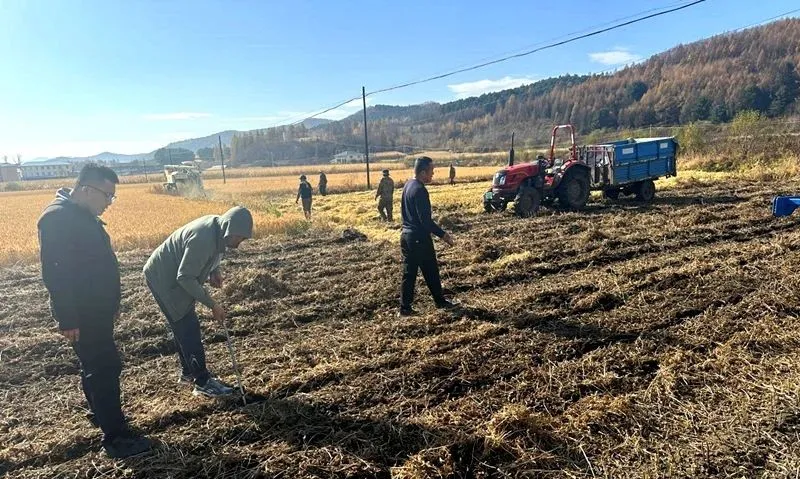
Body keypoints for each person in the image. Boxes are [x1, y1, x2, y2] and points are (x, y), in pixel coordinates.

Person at [38, 163, 151, 459]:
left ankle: (100, 414)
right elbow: (55, 274)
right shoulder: (57, 219)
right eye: (107, 196)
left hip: (98, 310)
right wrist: (67, 317)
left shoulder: (80, 214)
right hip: (84, 313)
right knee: (104, 367)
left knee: (96, 367)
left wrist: (112, 303)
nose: (109, 204)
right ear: (87, 190)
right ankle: (116, 439)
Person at [143, 206, 253, 398]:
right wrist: (213, 305)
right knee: (187, 326)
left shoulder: (219, 231)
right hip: (163, 278)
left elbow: (215, 253)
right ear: (228, 229)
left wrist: (214, 271)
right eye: (239, 237)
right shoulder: (203, 238)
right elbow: (185, 277)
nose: (240, 242)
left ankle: (188, 373)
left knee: (183, 325)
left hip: (175, 273)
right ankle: (202, 382)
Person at [399, 157, 457, 316]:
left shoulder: (408, 185)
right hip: (419, 238)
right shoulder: (420, 190)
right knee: (430, 269)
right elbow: (425, 220)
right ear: (423, 172)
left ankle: (404, 308)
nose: (433, 173)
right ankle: (440, 301)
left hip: (406, 236)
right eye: (431, 171)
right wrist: (443, 235)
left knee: (409, 272)